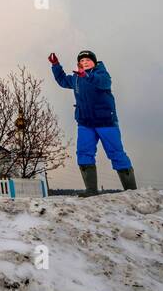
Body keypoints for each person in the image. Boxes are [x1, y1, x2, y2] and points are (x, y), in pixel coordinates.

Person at [50, 49, 136, 195]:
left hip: (106, 122)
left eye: (88, 60)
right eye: (82, 61)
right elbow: (62, 80)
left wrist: (87, 75)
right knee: (83, 153)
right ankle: (91, 190)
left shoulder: (102, 74)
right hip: (85, 123)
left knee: (116, 153)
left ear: (94, 63)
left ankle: (131, 191)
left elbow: (103, 83)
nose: (85, 63)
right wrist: (56, 65)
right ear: (79, 64)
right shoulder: (76, 78)